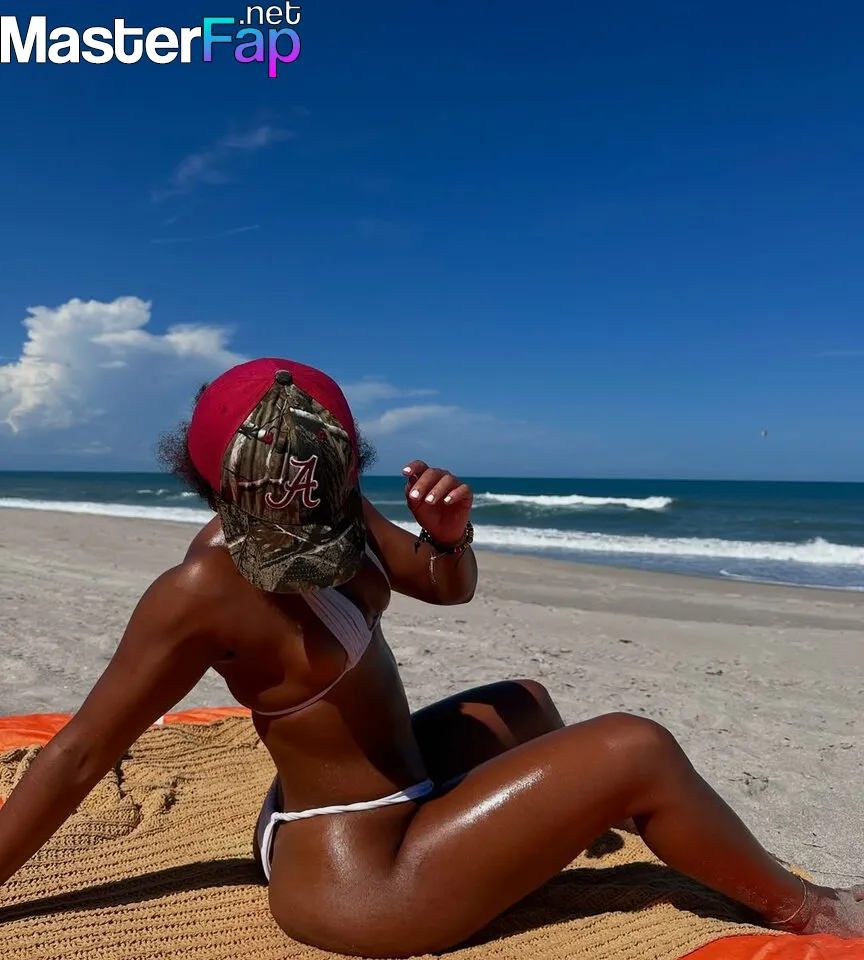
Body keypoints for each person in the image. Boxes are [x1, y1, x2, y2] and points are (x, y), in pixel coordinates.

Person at [0, 356, 861, 957]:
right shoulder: (199, 591)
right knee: (635, 746)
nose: (299, 535)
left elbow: (445, 588)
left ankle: (587, 823)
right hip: (358, 878)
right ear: (213, 484)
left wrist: (449, 537)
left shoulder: (333, 507)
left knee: (525, 702)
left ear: (343, 468)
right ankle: (816, 910)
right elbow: (78, 753)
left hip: (389, 791)